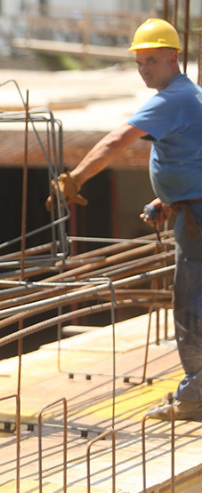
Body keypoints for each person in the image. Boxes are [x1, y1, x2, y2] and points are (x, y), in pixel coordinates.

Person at [46, 18, 202, 421]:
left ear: (174, 58)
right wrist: (168, 201)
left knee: (190, 307)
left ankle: (195, 396)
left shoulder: (173, 98)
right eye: (139, 62)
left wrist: (74, 178)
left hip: (197, 220)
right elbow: (191, 157)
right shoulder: (188, 97)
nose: (145, 69)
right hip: (190, 211)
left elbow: (118, 139)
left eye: (152, 60)